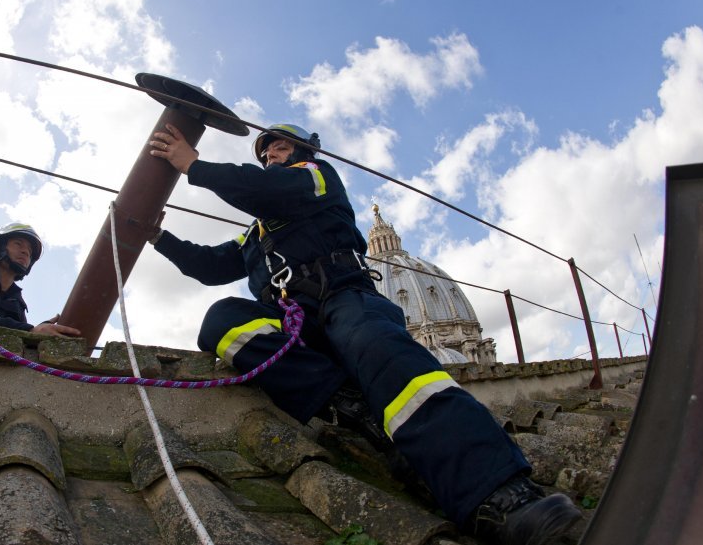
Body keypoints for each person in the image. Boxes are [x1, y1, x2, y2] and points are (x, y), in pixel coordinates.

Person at [147, 123, 581, 545]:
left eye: (278, 147)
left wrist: (194, 166)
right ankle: (349, 405)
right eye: (264, 154)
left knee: (380, 349)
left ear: (303, 150)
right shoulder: (255, 234)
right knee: (221, 321)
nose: (269, 157)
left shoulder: (315, 179)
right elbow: (209, 266)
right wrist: (159, 237)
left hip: (343, 296)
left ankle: (499, 495)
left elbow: (267, 190)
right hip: (295, 319)